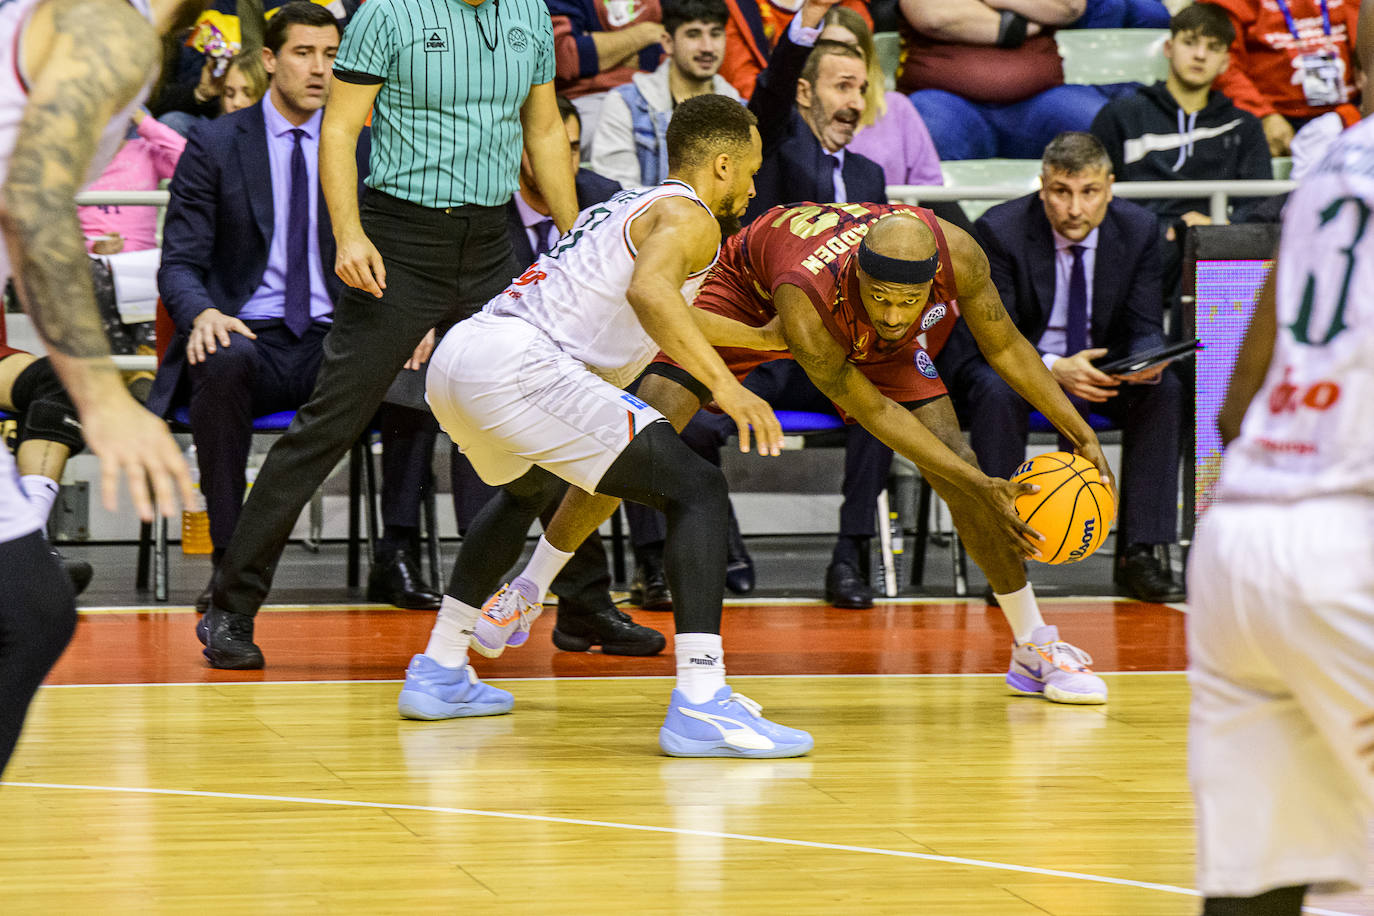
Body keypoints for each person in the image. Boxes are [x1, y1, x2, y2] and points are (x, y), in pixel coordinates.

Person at [528, 199, 1117, 705]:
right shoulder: (808, 295)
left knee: (957, 463)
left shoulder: (960, 254)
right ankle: (532, 587)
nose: (891, 315)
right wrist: (978, 481)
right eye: (880, 297)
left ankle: (1033, 647)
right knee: (641, 434)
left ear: (934, 283)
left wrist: (1079, 431)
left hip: (847, 319)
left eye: (907, 303)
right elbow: (875, 412)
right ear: (856, 270)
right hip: (751, 294)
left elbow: (1009, 346)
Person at [398, 95, 810, 759]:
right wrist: (730, 387)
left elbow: (665, 303)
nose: (757, 187)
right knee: (697, 490)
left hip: (465, 355)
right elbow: (652, 296)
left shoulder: (627, 204)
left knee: (527, 488)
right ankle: (702, 703)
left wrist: (763, 340)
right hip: (524, 365)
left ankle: (441, 667)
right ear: (724, 165)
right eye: (754, 172)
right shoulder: (693, 216)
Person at [197, 0, 580, 669]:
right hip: (401, 240)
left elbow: (544, 129)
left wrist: (576, 239)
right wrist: (349, 233)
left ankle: (586, 603)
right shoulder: (386, 14)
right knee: (327, 427)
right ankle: (228, 607)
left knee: (543, 416)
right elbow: (340, 131)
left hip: (492, 239)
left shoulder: (528, 12)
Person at [151, 3, 441, 613]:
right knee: (219, 361)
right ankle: (230, 564)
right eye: (304, 53)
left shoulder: (372, 146)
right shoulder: (215, 142)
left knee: (414, 365)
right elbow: (178, 262)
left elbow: (406, 252)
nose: (319, 69)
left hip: (339, 340)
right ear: (269, 60)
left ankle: (397, 554)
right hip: (247, 333)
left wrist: (414, 318)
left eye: (332, 56)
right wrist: (202, 312)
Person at [1187, 5, 1374, 910]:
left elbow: (1233, 402)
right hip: (1352, 545)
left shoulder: (1333, 161)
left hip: (1244, 542)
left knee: (1263, 882)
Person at [0, 0, 196, 777]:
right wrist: (103, 397)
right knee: (28, 614)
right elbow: (35, 199)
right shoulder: (106, 26)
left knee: (26, 611)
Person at [449, 94, 665, 656]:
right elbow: (464, 294)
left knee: (618, 435)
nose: (565, 161)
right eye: (552, 146)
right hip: (495, 362)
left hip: (580, 369)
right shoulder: (482, 201)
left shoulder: (605, 201)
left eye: (575, 148)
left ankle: (580, 605)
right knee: (538, 464)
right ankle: (543, 602)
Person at [942, 132, 1187, 603]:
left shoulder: (1138, 230)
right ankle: (1006, 552)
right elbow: (994, 335)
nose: (1075, 208)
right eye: (1061, 192)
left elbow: (1143, 323)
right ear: (1042, 186)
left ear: (1109, 188)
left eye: (1089, 192)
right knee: (996, 388)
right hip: (1016, 365)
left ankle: (1141, 551)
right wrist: (1051, 367)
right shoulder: (1001, 229)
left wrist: (1146, 359)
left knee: (1166, 388)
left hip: (1101, 369)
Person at [1090, 3, 1271, 295]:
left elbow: (1259, 205)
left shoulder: (1244, 125)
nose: (1200, 55)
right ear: (1168, 47)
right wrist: (1156, 231)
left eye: (1213, 47)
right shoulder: (1120, 114)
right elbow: (1093, 190)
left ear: (1226, 62)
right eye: (1190, 42)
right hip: (1138, 246)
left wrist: (1214, 226)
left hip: (1212, 248)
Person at [896, 0, 1120, 161]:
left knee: (1107, 125)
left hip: (1040, 101)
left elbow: (1069, 6)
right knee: (922, 129)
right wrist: (1018, 24)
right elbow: (934, 15)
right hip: (944, 100)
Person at [590, 0, 743, 188]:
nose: (707, 47)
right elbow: (619, 199)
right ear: (668, 43)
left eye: (715, 34)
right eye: (693, 34)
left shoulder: (741, 110)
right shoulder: (625, 104)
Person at [1210, 0, 1361, 156]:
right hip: (1272, 118)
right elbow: (1224, 65)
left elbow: (1367, 54)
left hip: (1348, 111)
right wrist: (1264, 115)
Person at [548, 0, 667, 150]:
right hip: (589, 98)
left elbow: (681, 48)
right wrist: (646, 33)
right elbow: (564, 58)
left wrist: (603, 49)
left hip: (655, 91)